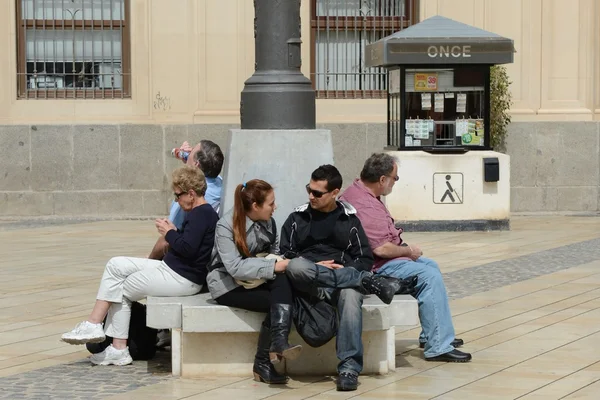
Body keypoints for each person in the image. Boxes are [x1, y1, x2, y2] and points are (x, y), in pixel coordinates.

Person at [61, 166, 219, 366]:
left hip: (181, 278)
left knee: (121, 289)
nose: (176, 200)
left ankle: (117, 347)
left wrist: (169, 232)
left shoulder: (201, 214)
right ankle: (94, 326)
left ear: (191, 194)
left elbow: (188, 249)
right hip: (173, 271)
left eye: (178, 195)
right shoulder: (200, 213)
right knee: (115, 264)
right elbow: (189, 246)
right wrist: (171, 234)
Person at [280, 164, 414, 392]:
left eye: (317, 193)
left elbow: (364, 259)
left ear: (334, 193)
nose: (311, 196)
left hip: (341, 284)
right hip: (308, 283)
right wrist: (315, 266)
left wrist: (339, 272)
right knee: (296, 266)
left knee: (351, 296)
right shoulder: (297, 218)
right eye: (309, 190)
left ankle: (349, 368)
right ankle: (364, 281)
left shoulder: (349, 221)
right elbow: (286, 254)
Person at [339, 153, 472, 363]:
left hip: (378, 261)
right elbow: (381, 249)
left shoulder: (359, 193)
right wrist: (409, 251)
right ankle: (438, 346)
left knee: (431, 266)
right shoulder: (365, 205)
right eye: (395, 178)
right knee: (428, 275)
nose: (395, 183)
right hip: (376, 267)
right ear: (382, 180)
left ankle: (433, 334)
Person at [206, 179, 301, 385]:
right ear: (256, 206)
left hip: (256, 279)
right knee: (278, 302)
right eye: (271, 204)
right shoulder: (226, 225)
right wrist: (273, 266)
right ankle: (265, 360)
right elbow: (234, 267)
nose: (275, 207)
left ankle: (276, 345)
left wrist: (277, 264)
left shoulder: (270, 222)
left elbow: (274, 253)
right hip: (227, 284)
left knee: (283, 287)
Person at [148, 140, 224, 260]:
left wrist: (149, 260)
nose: (188, 153)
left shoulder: (190, 195)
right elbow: (196, 174)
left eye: (191, 151)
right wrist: (188, 163)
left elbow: (170, 235)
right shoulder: (219, 182)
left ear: (197, 164)